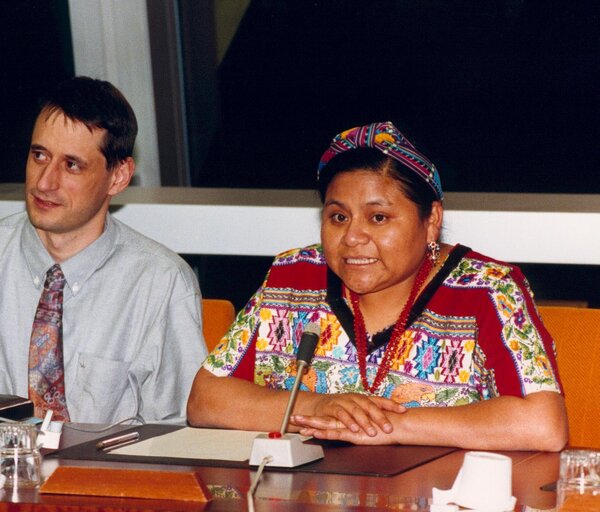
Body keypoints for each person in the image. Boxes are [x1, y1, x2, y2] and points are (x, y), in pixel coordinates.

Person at [187, 121, 568, 451]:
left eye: (378, 217)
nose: (352, 237)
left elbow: (542, 424)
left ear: (431, 220)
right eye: (338, 217)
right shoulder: (292, 276)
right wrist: (316, 406)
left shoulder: (486, 289)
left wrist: (391, 427)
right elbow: (205, 399)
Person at [0, 76, 207, 425]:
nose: (45, 182)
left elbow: (178, 435)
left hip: (100, 478)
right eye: (39, 156)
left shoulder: (160, 283)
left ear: (118, 177)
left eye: (71, 165)